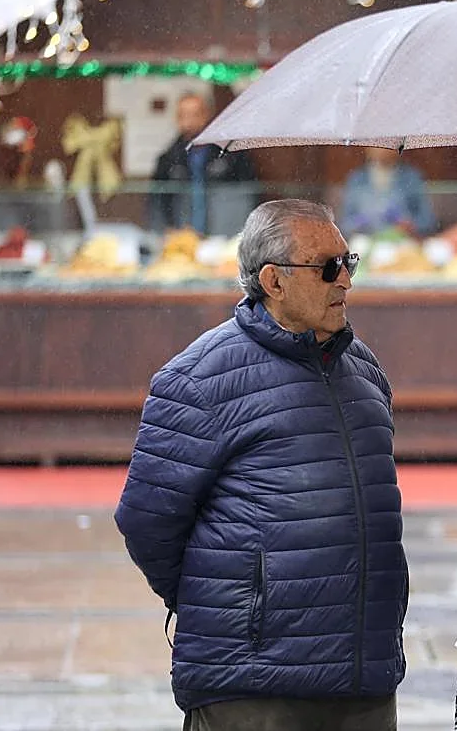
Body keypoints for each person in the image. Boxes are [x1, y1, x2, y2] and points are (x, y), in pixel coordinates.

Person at [114, 199, 406, 731]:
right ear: (273, 280)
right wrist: (238, 602)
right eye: (327, 267)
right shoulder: (199, 379)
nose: (345, 280)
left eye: (350, 262)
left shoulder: (362, 368)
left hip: (364, 677)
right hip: (254, 686)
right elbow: (146, 520)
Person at [151, 92, 257, 235]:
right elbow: (158, 201)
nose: (189, 120)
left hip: (224, 233)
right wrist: (165, 229)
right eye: (183, 115)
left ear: (206, 115)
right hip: (184, 233)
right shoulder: (169, 159)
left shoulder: (230, 154)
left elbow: (248, 193)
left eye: (195, 114)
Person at [340, 146, 437, 237]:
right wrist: (358, 223)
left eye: (386, 141)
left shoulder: (412, 178)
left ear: (399, 147)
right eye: (376, 141)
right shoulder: (356, 179)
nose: (382, 148)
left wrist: (409, 225)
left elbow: (427, 221)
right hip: (365, 246)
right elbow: (344, 225)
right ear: (366, 148)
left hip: (403, 247)